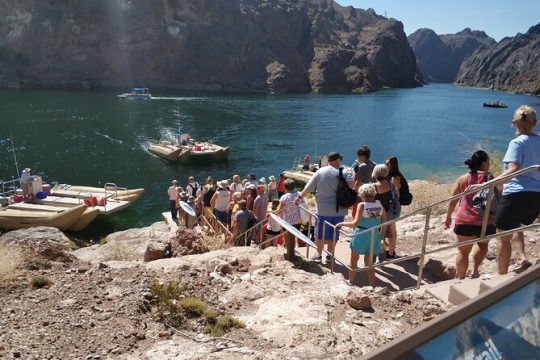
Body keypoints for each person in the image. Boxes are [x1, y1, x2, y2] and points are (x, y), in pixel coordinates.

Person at [492, 105, 540, 275]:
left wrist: (491, 183)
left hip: (516, 195)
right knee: (517, 225)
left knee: (502, 237)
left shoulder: (517, 142)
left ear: (514, 123)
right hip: (537, 196)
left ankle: (501, 278)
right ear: (535, 122)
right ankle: (522, 258)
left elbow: (514, 168)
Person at [296, 151, 354, 264]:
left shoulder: (320, 171)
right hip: (340, 209)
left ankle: (318, 254)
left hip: (323, 210)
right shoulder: (344, 171)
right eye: (340, 159)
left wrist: (299, 197)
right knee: (334, 233)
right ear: (337, 160)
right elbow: (352, 186)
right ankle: (329, 256)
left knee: (320, 234)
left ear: (328, 160)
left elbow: (308, 188)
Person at [445, 150, 495, 279]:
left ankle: (460, 278)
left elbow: (453, 200)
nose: (489, 164)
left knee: (463, 251)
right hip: (485, 220)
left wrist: (448, 218)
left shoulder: (463, 178)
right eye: (488, 161)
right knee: (483, 245)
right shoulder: (489, 177)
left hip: (465, 220)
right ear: (483, 162)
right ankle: (475, 271)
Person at [337, 184, 386, 286]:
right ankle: (372, 284)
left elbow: (355, 223)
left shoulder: (362, 205)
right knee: (369, 263)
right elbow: (384, 220)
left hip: (361, 234)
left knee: (354, 259)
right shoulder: (379, 204)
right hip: (374, 234)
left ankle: (351, 282)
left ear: (362, 194)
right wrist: (381, 234)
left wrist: (342, 223)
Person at [372, 164, 397, 258]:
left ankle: (374, 254)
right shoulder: (391, 184)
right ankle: (391, 252)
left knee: (374, 234)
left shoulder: (374, 186)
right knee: (391, 232)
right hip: (389, 212)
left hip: (376, 214)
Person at [278, 179, 305, 262]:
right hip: (298, 220)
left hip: (288, 221)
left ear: (285, 187)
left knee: (288, 238)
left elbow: (279, 210)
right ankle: (292, 253)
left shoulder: (284, 197)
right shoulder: (299, 194)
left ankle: (290, 255)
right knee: (293, 237)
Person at [384, 156, 404, 259]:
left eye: (388, 164)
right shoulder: (387, 175)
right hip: (389, 206)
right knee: (390, 229)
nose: (386, 165)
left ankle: (391, 253)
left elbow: (397, 194)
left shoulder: (395, 177)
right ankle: (389, 250)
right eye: (386, 164)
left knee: (391, 230)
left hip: (393, 207)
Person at [351, 146, 377, 218]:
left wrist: (353, 192)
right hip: (372, 192)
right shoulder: (374, 164)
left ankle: (356, 227)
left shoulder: (362, 166)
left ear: (363, 156)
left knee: (356, 212)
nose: (358, 157)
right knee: (369, 213)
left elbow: (358, 182)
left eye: (359, 156)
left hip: (362, 193)